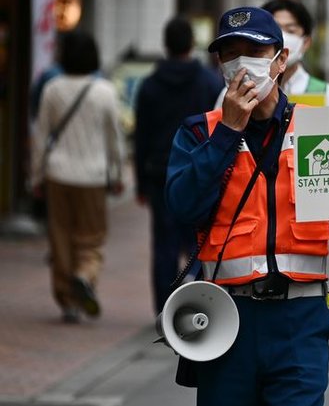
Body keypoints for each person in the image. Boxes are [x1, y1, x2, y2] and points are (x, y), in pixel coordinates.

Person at [165, 6, 329, 405]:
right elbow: (182, 208)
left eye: (254, 50)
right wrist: (227, 133)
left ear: (281, 59)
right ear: (219, 64)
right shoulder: (199, 131)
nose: (241, 64)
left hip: (299, 322)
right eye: (229, 54)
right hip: (225, 319)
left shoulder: (320, 127)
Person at [31, 31, 124, 324]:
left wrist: (36, 176)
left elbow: (40, 135)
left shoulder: (52, 89)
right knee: (92, 238)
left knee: (60, 237)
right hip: (94, 175)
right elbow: (115, 139)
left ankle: (67, 300)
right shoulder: (105, 91)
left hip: (57, 173)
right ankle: (84, 276)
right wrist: (117, 173)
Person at [135, 17, 223, 315]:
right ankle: (196, 306)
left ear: (166, 45)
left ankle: (164, 309)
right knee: (198, 242)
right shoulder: (210, 82)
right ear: (192, 44)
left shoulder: (150, 85)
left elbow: (141, 136)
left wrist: (140, 183)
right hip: (201, 172)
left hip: (160, 174)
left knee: (164, 246)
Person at [214, 0, 329, 108]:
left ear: (306, 42)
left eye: (290, 30)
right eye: (276, 28)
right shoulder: (229, 96)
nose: (283, 37)